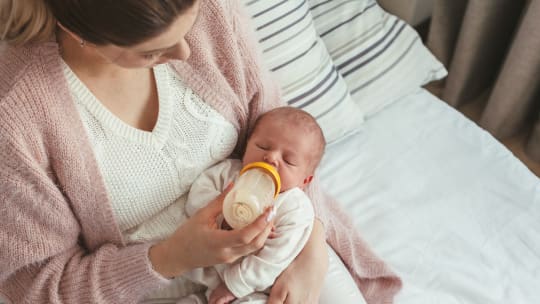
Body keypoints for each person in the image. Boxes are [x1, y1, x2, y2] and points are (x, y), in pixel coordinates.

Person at [0, 0, 401, 303]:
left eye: (187, 27)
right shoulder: (17, 117)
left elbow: (288, 142)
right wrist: (169, 258)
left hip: (283, 245)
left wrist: (312, 244)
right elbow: (38, 287)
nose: (186, 54)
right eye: (152, 51)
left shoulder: (211, 12)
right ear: (77, 29)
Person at [181, 107, 330, 304]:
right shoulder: (228, 173)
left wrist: (235, 285)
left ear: (305, 181)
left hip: (254, 287)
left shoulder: (295, 208)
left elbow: (275, 258)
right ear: (247, 146)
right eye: (263, 146)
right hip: (204, 268)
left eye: (288, 160)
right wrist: (221, 215)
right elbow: (197, 196)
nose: (272, 158)